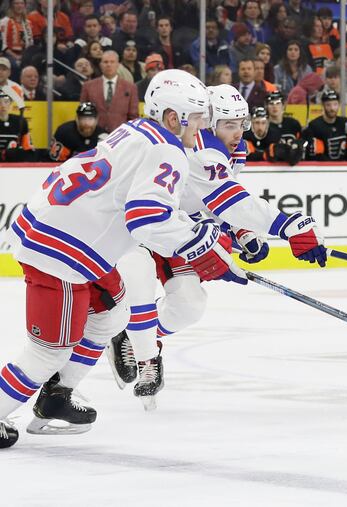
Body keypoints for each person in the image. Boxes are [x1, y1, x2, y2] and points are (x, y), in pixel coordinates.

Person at [0, 69, 244, 448]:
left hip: (66, 236)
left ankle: (57, 397)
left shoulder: (135, 131)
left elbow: (144, 205)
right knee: (48, 352)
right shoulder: (168, 149)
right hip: (64, 251)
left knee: (113, 312)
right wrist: (200, 245)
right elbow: (145, 219)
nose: (202, 125)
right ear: (174, 116)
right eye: (196, 116)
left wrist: (200, 238)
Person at [107, 85, 326, 407]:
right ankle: (138, 356)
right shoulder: (200, 147)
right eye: (228, 124)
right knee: (136, 291)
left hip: (175, 229)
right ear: (208, 122)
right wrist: (285, 226)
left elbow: (211, 199)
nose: (237, 132)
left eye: (242, 123)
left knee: (189, 305)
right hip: (136, 227)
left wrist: (241, 232)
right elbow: (226, 198)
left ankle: (138, 337)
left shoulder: (227, 148)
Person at [80, 50, 139, 132]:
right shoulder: (88, 86)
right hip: (94, 135)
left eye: (112, 62)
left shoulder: (130, 87)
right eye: (105, 62)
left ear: (118, 65)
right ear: (101, 65)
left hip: (120, 136)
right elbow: (83, 114)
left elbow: (133, 117)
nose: (109, 65)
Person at [304, 90, 347, 161]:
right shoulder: (314, 126)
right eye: (328, 105)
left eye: (335, 104)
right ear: (323, 105)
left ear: (339, 104)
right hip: (323, 168)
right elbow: (317, 155)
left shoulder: (346, 123)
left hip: (344, 167)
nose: (332, 108)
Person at [0, 91, 33, 161]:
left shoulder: (20, 122)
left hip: (14, 167)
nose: (3, 106)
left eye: (6, 102)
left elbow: (28, 148)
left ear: (11, 104)